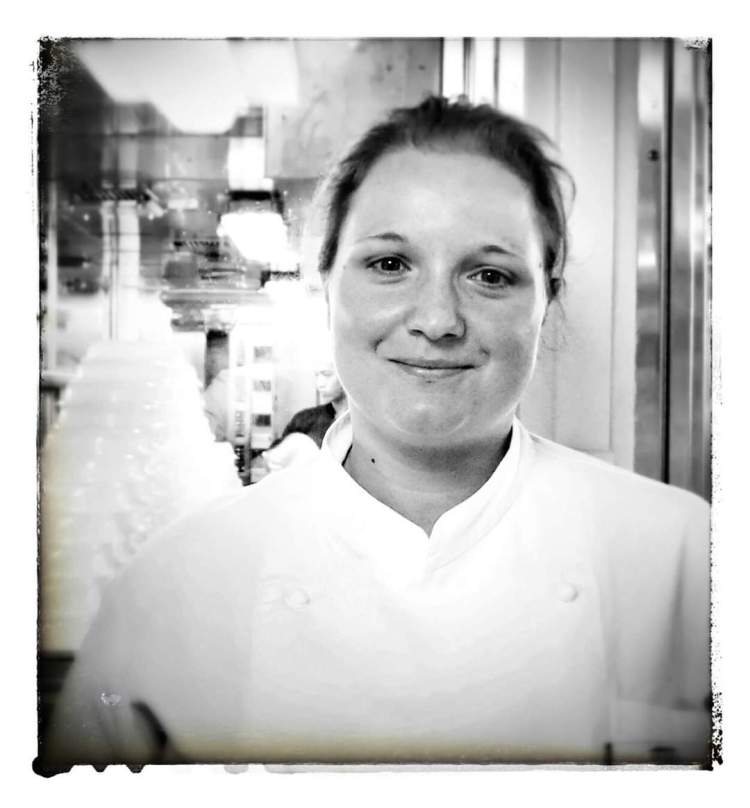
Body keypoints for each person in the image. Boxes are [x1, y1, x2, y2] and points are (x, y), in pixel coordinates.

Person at [42, 96, 710, 769]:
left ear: (547, 298)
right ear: (326, 283)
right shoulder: (179, 584)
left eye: (490, 275)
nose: (437, 320)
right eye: (390, 264)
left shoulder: (682, 556)